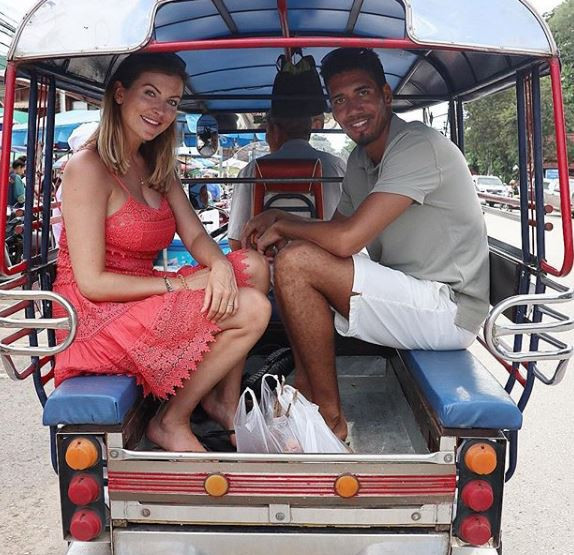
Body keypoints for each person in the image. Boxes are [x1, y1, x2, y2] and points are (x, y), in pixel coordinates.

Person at [242, 48, 489, 440]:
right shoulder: (360, 159)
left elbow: (345, 241)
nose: (352, 109)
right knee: (294, 257)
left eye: (363, 93)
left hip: (449, 308)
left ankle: (330, 419)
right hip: (411, 294)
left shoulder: (415, 147)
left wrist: (285, 223)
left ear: (386, 95)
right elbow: (335, 230)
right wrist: (279, 222)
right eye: (340, 100)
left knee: (297, 262)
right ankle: (305, 386)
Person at [52, 52, 271, 453]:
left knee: (253, 266)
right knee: (253, 308)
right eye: (150, 94)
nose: (161, 111)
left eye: (171, 101)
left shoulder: (155, 165)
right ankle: (170, 420)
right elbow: (92, 283)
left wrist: (219, 265)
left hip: (142, 293)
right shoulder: (87, 167)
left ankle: (222, 401)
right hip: (96, 313)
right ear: (120, 94)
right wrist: (181, 284)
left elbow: (195, 235)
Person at [228, 111, 346, 251]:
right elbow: (349, 232)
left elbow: (237, 241)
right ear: (309, 130)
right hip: (329, 259)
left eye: (267, 132)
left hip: (266, 262)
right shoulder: (337, 167)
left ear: (275, 131)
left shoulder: (251, 170)